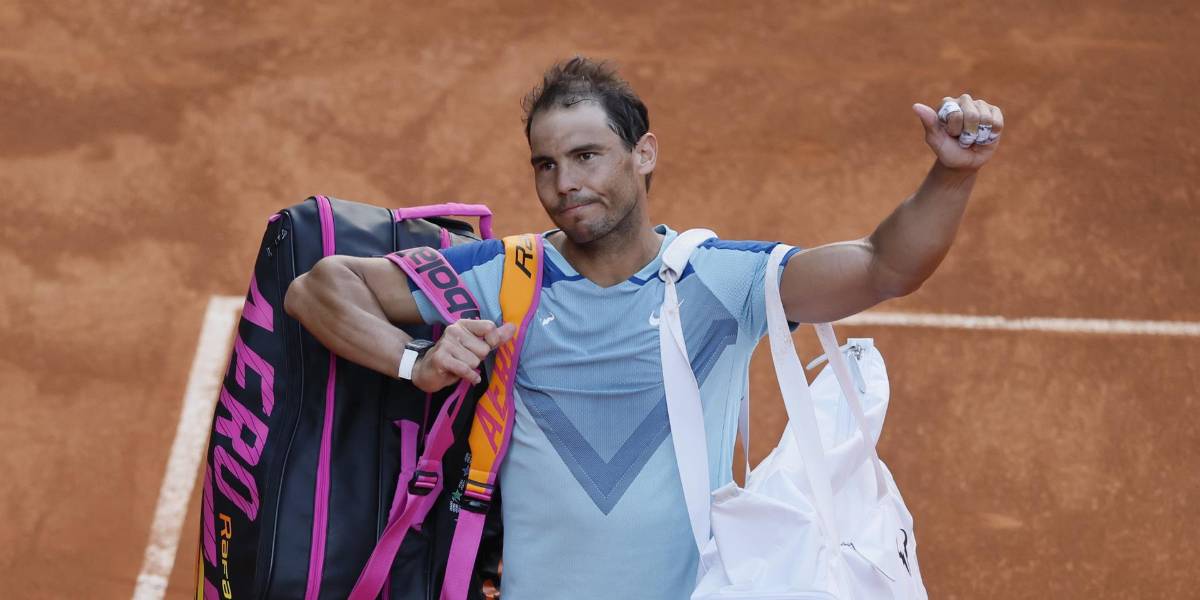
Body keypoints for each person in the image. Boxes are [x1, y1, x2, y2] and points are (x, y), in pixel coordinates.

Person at [285, 55, 1003, 599]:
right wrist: (417, 362)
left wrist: (951, 176)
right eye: (546, 164)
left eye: (587, 155)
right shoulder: (504, 276)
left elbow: (883, 266)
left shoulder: (721, 280)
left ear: (644, 154)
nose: (564, 184)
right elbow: (320, 285)